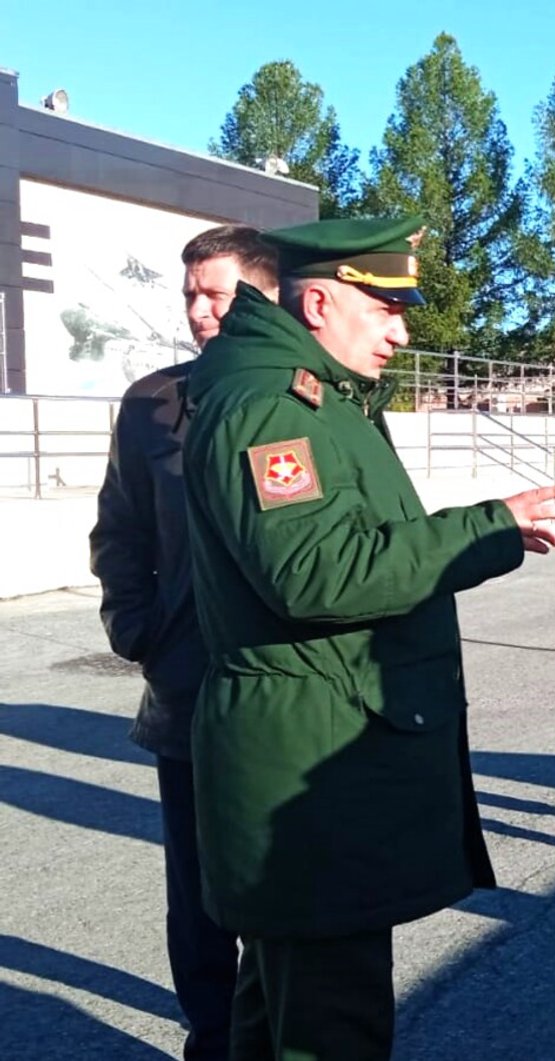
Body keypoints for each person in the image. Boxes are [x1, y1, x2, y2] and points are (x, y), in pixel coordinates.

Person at [181, 215, 555, 1060]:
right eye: (388, 308)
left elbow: (346, 542)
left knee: (277, 1013)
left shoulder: (315, 395)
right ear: (319, 301)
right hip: (310, 772)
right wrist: (485, 529)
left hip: (324, 745)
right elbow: (318, 571)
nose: (403, 332)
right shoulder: (270, 405)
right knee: (331, 1029)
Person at [89, 223, 278, 1061]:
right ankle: (210, 1032)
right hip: (187, 685)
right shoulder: (151, 403)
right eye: (192, 295)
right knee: (196, 885)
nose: (201, 312)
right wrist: (136, 632)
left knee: (279, 878)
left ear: (268, 297)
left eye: (220, 294)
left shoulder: (310, 398)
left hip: (281, 695)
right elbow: (118, 531)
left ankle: (273, 1028)